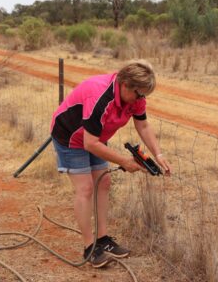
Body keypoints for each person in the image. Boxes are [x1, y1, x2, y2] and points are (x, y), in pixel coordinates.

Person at [50, 59, 171, 268]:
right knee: (86, 188)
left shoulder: (135, 96)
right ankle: (90, 248)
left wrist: (158, 154)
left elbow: (142, 125)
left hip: (95, 137)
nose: (141, 99)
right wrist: (125, 161)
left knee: (104, 183)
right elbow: (89, 143)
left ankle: (103, 239)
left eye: (143, 95)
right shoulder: (100, 96)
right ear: (125, 85)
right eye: (139, 94)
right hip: (70, 137)